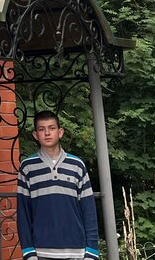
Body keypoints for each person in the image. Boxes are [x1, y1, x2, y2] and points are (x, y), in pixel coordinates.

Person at [16, 110, 99, 260]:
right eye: (42, 129)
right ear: (35, 135)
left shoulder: (77, 165)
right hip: (41, 252)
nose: (47, 133)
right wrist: (28, 250)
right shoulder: (27, 167)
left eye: (52, 128)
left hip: (77, 252)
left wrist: (92, 250)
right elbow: (23, 212)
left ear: (60, 132)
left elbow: (89, 210)